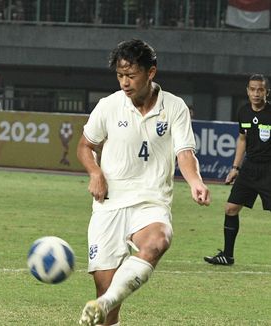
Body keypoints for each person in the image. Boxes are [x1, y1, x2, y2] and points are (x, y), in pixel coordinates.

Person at [76, 39, 210, 326]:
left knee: (159, 239)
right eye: (120, 75)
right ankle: (107, 303)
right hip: (109, 204)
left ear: (151, 73)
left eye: (131, 75)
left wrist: (195, 182)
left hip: (151, 200)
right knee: (105, 290)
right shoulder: (108, 106)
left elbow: (185, 152)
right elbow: (84, 146)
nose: (124, 82)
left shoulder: (174, 107)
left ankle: (107, 301)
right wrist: (95, 173)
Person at [204, 74, 271, 266]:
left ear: (267, 92)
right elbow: (242, 139)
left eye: (260, 89)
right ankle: (227, 255)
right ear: (247, 91)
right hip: (249, 168)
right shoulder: (243, 112)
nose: (256, 93)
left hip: (269, 169)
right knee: (231, 209)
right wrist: (235, 167)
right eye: (253, 89)